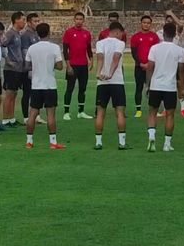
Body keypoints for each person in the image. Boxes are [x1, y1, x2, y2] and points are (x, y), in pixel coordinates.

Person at [145, 23, 184, 152]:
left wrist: (148, 85)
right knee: (170, 115)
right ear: (174, 34)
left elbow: (149, 68)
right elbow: (181, 71)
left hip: (156, 86)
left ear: (163, 34)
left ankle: (152, 136)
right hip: (170, 87)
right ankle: (167, 144)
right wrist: (183, 88)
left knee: (152, 112)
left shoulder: (154, 48)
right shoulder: (179, 50)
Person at [24, 23, 65, 149]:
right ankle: (53, 142)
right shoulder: (54, 47)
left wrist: (37, 66)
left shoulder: (32, 48)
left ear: (37, 33)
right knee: (50, 114)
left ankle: (29, 141)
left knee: (32, 114)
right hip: (49, 85)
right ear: (49, 32)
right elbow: (60, 66)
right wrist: (50, 64)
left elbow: (26, 66)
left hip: (36, 85)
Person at [94, 22, 129, 150]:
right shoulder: (120, 43)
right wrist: (110, 73)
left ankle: (98, 142)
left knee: (100, 112)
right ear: (118, 32)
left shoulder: (100, 43)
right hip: (117, 82)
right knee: (119, 112)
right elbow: (116, 57)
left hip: (102, 82)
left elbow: (100, 58)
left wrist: (99, 73)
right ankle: (122, 142)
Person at [62, 12, 94, 120]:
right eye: (77, 19)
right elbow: (65, 50)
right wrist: (68, 65)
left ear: (83, 20)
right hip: (73, 65)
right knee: (70, 88)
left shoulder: (87, 34)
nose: (79, 21)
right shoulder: (69, 32)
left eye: (81, 19)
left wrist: (91, 60)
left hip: (83, 65)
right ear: (74, 20)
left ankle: (81, 111)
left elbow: (88, 48)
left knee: (82, 89)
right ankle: (66, 112)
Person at [130, 15, 159, 118]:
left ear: (150, 24)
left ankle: (154, 109)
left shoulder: (154, 37)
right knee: (139, 87)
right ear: (141, 23)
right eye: (144, 22)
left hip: (151, 67)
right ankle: (138, 110)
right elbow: (134, 53)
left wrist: (150, 64)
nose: (146, 24)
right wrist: (141, 63)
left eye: (148, 23)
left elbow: (156, 52)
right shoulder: (135, 37)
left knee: (153, 88)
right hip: (139, 67)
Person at [1, 12, 27, 127]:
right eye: (23, 19)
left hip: (18, 69)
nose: (24, 22)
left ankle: (11, 118)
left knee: (14, 93)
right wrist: (7, 60)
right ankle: (6, 119)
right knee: (9, 94)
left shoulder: (18, 34)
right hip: (11, 69)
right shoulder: (10, 33)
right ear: (16, 20)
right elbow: (1, 45)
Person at [21, 13, 40, 123]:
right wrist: (29, 68)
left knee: (36, 92)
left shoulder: (36, 35)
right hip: (29, 69)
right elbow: (25, 53)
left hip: (37, 68)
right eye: (34, 21)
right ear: (29, 22)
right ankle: (25, 117)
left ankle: (36, 115)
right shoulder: (25, 35)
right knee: (27, 92)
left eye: (38, 21)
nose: (37, 23)